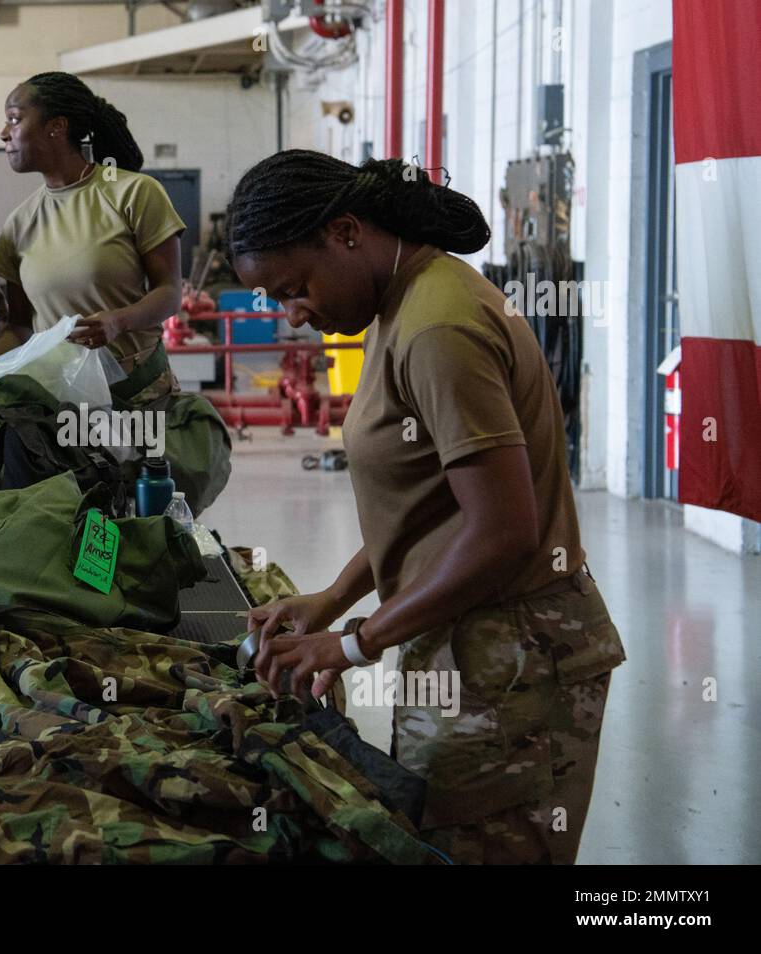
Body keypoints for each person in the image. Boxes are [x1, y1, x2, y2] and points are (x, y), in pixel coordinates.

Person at [228, 150, 626, 864]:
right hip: (468, 637)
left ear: (347, 233)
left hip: (511, 657)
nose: (293, 315)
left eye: (294, 289)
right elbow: (430, 506)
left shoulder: (436, 327)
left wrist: (354, 642)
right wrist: (334, 597)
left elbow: (502, 532)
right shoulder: (402, 303)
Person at [0, 72, 184, 407]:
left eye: (15, 120)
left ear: (56, 127)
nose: (4, 133)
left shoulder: (134, 193)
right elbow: (20, 326)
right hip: (58, 401)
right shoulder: (18, 224)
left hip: (137, 395)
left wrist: (118, 321)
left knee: (142, 461)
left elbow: (169, 294)